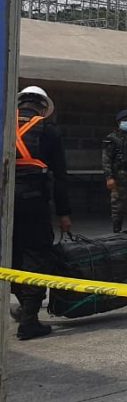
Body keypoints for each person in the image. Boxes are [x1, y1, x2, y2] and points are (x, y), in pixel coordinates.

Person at [10, 86, 72, 340]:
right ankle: (29, 321)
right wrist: (64, 213)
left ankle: (23, 305)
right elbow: (60, 177)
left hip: (4, 199)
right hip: (33, 202)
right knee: (37, 256)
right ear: (43, 107)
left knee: (10, 255)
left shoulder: (4, 122)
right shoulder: (49, 130)